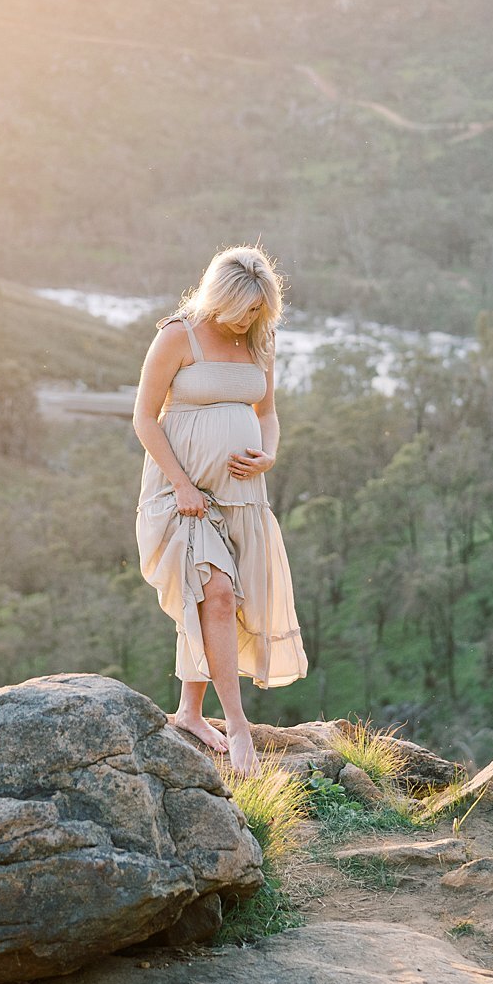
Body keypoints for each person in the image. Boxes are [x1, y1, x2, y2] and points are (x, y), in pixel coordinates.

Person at [132, 244, 307, 774]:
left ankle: (189, 711)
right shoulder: (176, 336)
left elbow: (268, 413)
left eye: (259, 309)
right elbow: (144, 418)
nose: (250, 319)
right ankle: (237, 726)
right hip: (182, 496)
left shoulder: (261, 341)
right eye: (244, 308)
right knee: (215, 590)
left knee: (216, 602)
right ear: (219, 296)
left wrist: (268, 454)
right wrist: (183, 485)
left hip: (242, 497)